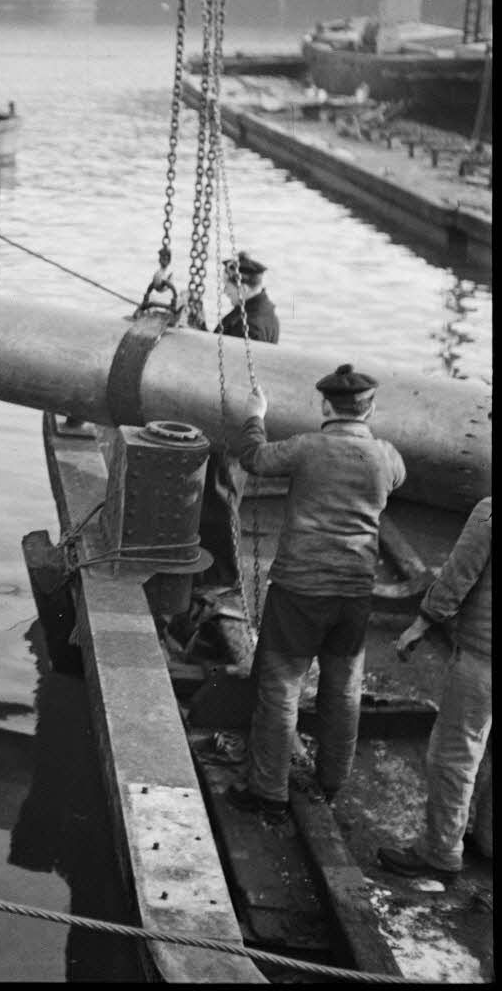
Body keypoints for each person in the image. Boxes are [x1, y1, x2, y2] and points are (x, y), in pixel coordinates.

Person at [227, 364, 406, 822]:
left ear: (325, 405)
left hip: (301, 590)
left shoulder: (307, 448)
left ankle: (269, 790)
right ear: (371, 409)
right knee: (344, 688)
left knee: (281, 687)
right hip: (354, 595)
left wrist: (255, 414)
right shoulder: (387, 456)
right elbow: (397, 481)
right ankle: (330, 782)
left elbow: (253, 457)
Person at [378, 496, 491, 881]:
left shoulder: (490, 511)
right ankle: (489, 840)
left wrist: (422, 623)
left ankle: (439, 852)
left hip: (483, 658)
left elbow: (458, 575)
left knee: (454, 755)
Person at [198, 252, 280, 586]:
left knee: (221, 498)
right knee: (220, 497)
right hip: (232, 419)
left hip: (232, 423)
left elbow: (233, 371)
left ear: (243, 285)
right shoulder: (256, 312)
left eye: (229, 287)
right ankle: (217, 571)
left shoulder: (254, 325)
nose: (226, 293)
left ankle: (224, 576)